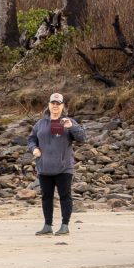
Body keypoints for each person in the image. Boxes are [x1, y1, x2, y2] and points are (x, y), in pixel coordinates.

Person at [28, 93, 87, 236]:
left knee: (65, 197)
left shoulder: (68, 121)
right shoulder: (40, 123)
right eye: (53, 103)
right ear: (49, 105)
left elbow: (82, 138)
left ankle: (65, 226)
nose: (55, 106)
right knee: (46, 197)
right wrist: (34, 149)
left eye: (58, 104)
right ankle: (47, 225)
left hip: (64, 168)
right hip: (44, 168)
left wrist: (71, 126)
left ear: (62, 106)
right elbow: (31, 139)